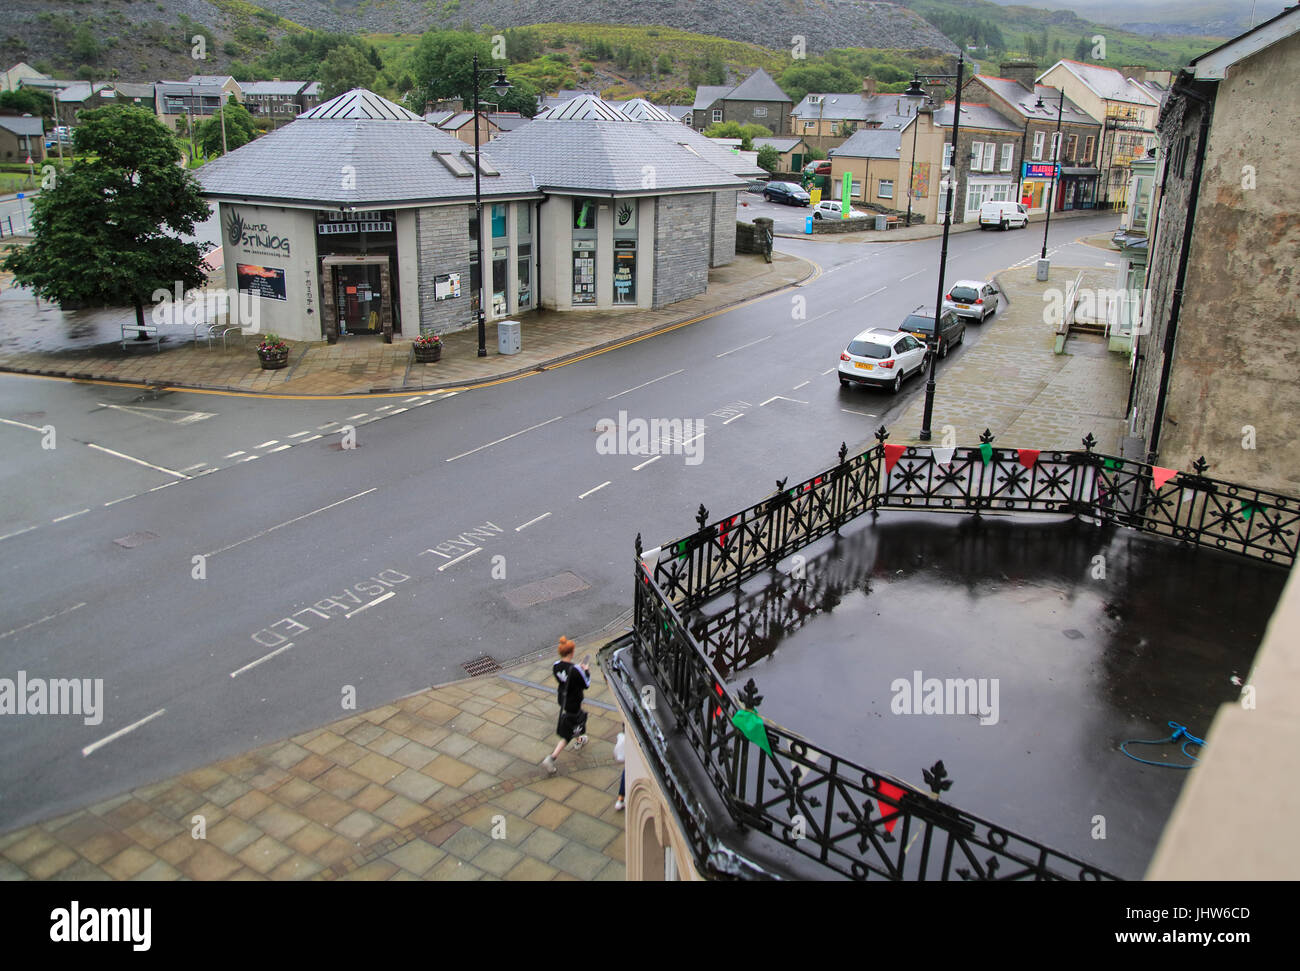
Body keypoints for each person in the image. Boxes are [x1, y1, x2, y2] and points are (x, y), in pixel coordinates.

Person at [542, 636, 589, 775]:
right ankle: (551, 758)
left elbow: (564, 678)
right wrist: (585, 670)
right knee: (568, 732)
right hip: (574, 702)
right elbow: (586, 684)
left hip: (563, 700)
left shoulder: (556, 666)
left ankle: (580, 738)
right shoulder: (575, 670)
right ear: (571, 653)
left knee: (574, 722)